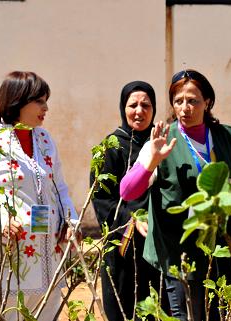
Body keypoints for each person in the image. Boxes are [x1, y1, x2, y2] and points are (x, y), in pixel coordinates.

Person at [119, 69, 231, 321]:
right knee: (187, 316)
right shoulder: (163, 140)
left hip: (220, 248)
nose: (185, 108)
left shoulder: (225, 136)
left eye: (193, 101)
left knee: (219, 316)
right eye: (178, 101)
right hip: (179, 252)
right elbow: (127, 190)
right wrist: (152, 162)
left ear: (207, 102)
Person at [0, 71, 78, 321]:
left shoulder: (45, 139)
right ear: (18, 102)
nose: (46, 108)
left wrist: (69, 222)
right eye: (40, 101)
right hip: (12, 257)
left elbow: (60, 187)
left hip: (48, 255)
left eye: (46, 100)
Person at [90, 81, 163, 320]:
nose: (139, 111)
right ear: (123, 108)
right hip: (124, 250)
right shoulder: (110, 148)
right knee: (125, 310)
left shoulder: (162, 145)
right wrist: (132, 219)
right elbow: (101, 199)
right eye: (133, 105)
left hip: (160, 246)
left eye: (146, 105)